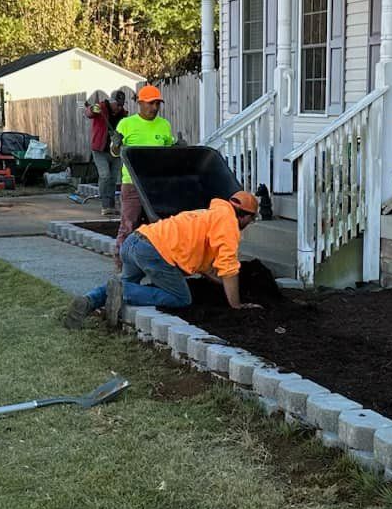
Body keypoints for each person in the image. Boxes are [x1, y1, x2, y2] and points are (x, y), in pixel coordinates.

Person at [65, 191, 263, 329]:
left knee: (123, 284)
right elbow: (228, 267)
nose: (249, 224)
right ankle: (123, 290)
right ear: (244, 216)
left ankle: (89, 300)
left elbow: (209, 269)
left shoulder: (210, 216)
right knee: (181, 298)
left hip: (135, 241)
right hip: (153, 252)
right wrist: (236, 305)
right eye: (251, 220)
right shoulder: (228, 223)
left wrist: (228, 287)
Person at [111, 84, 175, 261]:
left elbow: (168, 151)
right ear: (140, 103)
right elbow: (115, 152)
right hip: (132, 183)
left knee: (157, 227)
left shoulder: (164, 125)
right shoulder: (126, 124)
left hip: (156, 185)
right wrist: (116, 144)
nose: (154, 108)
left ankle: (153, 263)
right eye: (150, 103)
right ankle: (121, 266)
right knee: (128, 225)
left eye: (157, 104)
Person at [83, 90, 126, 216]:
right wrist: (92, 109)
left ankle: (110, 206)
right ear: (111, 102)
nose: (119, 107)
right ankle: (104, 203)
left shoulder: (123, 115)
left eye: (121, 105)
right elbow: (89, 113)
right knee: (105, 176)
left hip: (115, 151)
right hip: (99, 150)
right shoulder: (101, 108)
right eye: (117, 104)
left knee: (113, 179)